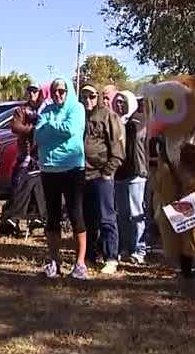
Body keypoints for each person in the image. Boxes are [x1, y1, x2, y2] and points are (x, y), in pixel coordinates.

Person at [146, 75, 195, 279]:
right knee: (179, 230)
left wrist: (193, 165)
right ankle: (186, 268)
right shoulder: (168, 137)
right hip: (177, 190)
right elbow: (162, 161)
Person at [35, 77, 89, 280]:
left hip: (72, 168)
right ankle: (54, 262)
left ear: (68, 92)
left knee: (76, 215)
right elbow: (38, 137)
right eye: (55, 91)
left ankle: (80, 264)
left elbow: (71, 130)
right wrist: (52, 128)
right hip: (49, 169)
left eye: (62, 91)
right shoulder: (46, 110)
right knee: (52, 217)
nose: (58, 94)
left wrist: (50, 127)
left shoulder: (77, 109)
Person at [80, 84, 125, 274]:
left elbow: (118, 150)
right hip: (83, 174)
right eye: (84, 96)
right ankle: (89, 255)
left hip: (102, 174)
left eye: (91, 96)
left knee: (107, 217)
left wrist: (108, 171)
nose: (88, 100)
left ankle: (111, 257)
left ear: (97, 96)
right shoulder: (80, 116)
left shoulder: (108, 116)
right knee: (88, 218)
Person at [1, 84, 47, 235]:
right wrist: (34, 130)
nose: (32, 93)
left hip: (40, 154)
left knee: (37, 187)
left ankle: (38, 217)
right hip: (25, 154)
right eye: (30, 91)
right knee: (18, 185)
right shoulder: (21, 109)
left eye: (35, 91)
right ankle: (12, 219)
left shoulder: (45, 108)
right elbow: (15, 126)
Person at [113, 90, 148, 265]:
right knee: (122, 214)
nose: (119, 105)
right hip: (118, 174)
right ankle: (125, 247)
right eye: (117, 102)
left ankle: (139, 249)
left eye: (123, 102)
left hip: (136, 173)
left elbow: (134, 141)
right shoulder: (115, 121)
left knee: (137, 214)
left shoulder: (138, 121)